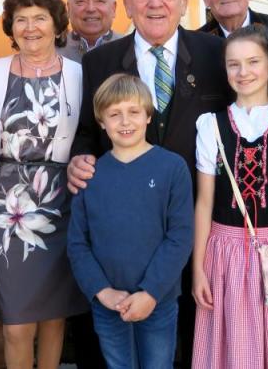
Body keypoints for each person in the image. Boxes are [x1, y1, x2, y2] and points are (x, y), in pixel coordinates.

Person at [67, 0, 229, 365]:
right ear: (126, 3)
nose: (155, 2)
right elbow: (87, 129)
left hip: (199, 221)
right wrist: (80, 157)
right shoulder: (100, 61)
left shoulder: (216, 53)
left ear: (185, 1)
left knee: (191, 330)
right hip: (127, 231)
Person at [0, 0, 88, 369]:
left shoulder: (78, 75)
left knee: (53, 316)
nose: (30, 27)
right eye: (21, 19)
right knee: (16, 324)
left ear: (57, 24)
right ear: (11, 27)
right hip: (6, 208)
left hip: (62, 201)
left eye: (40, 18)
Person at [191, 25, 268, 368]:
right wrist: (198, 269)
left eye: (253, 61)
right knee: (232, 349)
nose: (243, 72)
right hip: (224, 251)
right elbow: (204, 203)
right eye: (233, 64)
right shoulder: (211, 125)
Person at [67, 73, 194, 369]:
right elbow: (77, 243)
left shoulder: (172, 168)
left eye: (134, 112)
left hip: (157, 299)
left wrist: (150, 293)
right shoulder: (91, 175)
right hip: (108, 301)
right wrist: (102, 291)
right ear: (101, 121)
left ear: (148, 116)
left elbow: (180, 236)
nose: (125, 122)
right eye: (114, 114)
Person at [59, 0, 124, 62]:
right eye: (81, 1)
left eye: (99, 1)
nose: (90, 8)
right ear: (69, 9)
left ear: (113, 9)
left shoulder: (130, 49)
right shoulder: (53, 51)